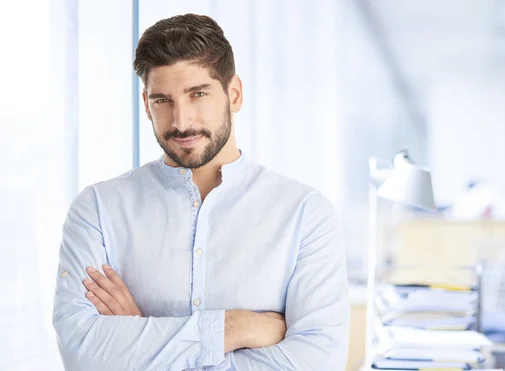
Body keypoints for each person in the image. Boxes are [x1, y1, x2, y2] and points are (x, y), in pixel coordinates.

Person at [52, 13, 349, 371]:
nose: (181, 121)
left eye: (198, 95)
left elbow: (318, 361)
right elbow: (83, 353)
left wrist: (140, 335)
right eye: (163, 101)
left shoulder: (305, 215)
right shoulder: (98, 210)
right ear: (146, 104)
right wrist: (231, 328)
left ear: (234, 94)